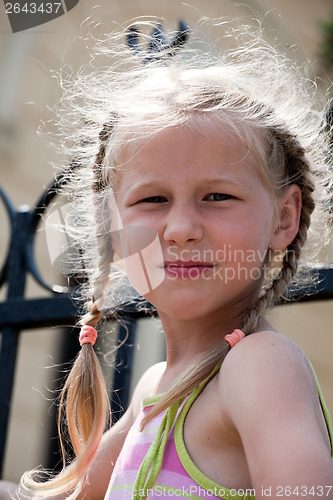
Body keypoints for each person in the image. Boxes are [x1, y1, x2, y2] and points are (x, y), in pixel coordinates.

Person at [5, 17, 333, 500]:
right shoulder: (155, 389)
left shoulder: (260, 366)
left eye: (218, 196)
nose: (181, 229)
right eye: (152, 200)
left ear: (284, 218)